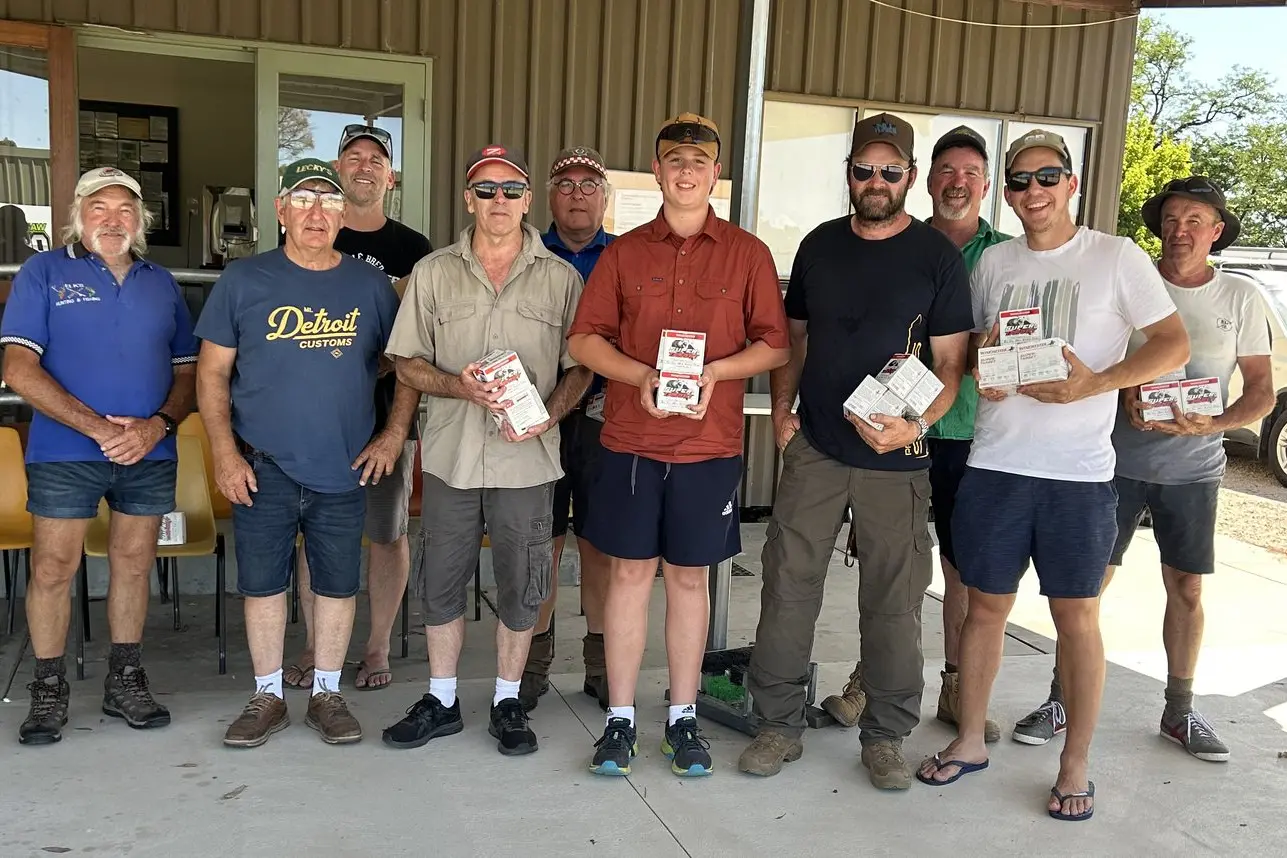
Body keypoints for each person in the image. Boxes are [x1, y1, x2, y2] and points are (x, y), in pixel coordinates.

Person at [917, 130, 1190, 822]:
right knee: (984, 610)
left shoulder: (1115, 257)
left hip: (1078, 475)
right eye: (1017, 181)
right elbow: (976, 347)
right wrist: (989, 371)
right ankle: (971, 740)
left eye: (1046, 178)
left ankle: (1074, 766)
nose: (1031, 192)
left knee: (1076, 619)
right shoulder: (993, 264)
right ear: (1004, 193)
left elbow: (1171, 342)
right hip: (995, 464)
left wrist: (1097, 382)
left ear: (1070, 184)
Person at [738, 113, 972, 789]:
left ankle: (886, 736)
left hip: (895, 462)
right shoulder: (817, 246)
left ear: (908, 177)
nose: (875, 182)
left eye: (889, 171)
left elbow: (952, 363)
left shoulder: (936, 257)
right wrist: (782, 411)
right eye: (863, 170)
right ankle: (778, 724)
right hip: (816, 449)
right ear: (848, 174)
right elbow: (793, 337)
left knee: (893, 603)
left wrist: (915, 424)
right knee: (786, 590)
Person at [1009, 176, 1271, 763]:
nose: (1181, 231)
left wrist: (1213, 423)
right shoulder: (1127, 276)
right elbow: (1083, 358)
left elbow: (1260, 394)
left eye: (1195, 221)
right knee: (1085, 587)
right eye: (1172, 219)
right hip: (1113, 463)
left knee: (1187, 586)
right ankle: (1061, 700)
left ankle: (1179, 710)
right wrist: (1120, 390)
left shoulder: (1242, 298)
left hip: (1195, 470)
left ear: (1217, 231)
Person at [569, 113, 790, 778]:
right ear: (658, 171)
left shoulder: (747, 254)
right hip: (632, 442)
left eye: (698, 161)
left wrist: (714, 373)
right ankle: (618, 719)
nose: (685, 171)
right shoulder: (624, 252)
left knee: (689, 580)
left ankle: (683, 716)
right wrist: (641, 376)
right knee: (630, 577)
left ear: (713, 174)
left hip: (708, 445)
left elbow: (775, 344)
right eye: (673, 160)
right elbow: (583, 340)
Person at [380, 145, 589, 757]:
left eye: (511, 190)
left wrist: (551, 414)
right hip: (452, 454)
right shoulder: (433, 273)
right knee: (440, 579)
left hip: (527, 457)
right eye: (486, 190)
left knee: (524, 579)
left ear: (528, 201)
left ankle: (506, 700)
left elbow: (581, 368)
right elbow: (405, 361)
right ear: (468, 200)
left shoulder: (562, 278)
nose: (499, 201)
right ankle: (442, 698)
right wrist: (458, 386)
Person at [196, 159, 407, 748]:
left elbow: (407, 366)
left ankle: (326, 694)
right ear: (281, 210)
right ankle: (266, 695)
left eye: (329, 201)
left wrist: (391, 435)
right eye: (304, 199)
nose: (317, 212)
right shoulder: (243, 281)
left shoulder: (369, 285)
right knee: (262, 583)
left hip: (343, 465)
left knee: (337, 583)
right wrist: (223, 454)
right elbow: (211, 376)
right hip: (261, 463)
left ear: (345, 214)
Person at [821, 126, 1008, 744]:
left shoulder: (1008, 255)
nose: (958, 182)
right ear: (926, 179)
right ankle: (868, 681)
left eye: (971, 173)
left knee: (960, 567)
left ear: (986, 184)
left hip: (969, 433)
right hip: (887, 436)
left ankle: (957, 687)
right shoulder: (901, 242)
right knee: (890, 569)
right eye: (946, 171)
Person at [1, 167, 197, 745]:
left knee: (134, 564)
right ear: (77, 214)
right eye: (100, 207)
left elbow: (187, 374)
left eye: (126, 210)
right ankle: (48, 688)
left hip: (150, 451)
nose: (113, 220)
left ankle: (125, 681)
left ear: (141, 221)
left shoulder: (162, 283)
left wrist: (157, 426)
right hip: (65, 450)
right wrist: (98, 429)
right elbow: (17, 369)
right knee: (53, 568)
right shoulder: (43, 272)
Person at [284, 124, 431, 693]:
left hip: (387, 418)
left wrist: (374, 375)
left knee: (387, 534)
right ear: (337, 171)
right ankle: (319, 646)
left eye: (377, 159)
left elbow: (418, 343)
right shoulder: (312, 237)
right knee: (313, 535)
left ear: (390, 177)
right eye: (354, 157)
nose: (365, 166)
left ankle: (374, 649)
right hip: (316, 422)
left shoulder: (415, 250)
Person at [519, 146, 616, 712]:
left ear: (604, 197)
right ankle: (533, 661)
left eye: (589, 184)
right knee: (542, 544)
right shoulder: (527, 255)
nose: (578, 193)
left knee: (600, 544)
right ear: (548, 197)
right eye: (567, 184)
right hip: (537, 421)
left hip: (607, 420)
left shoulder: (627, 256)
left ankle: (602, 663)